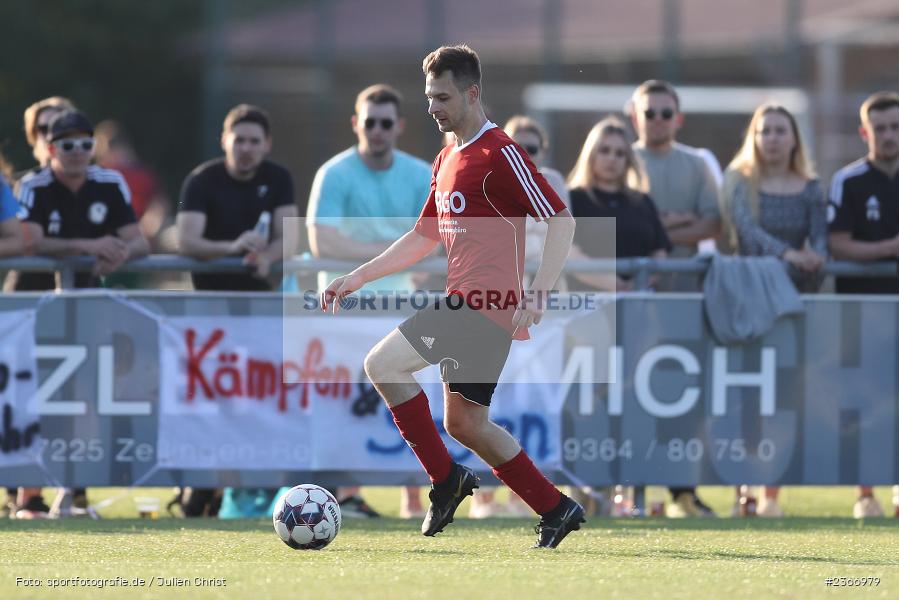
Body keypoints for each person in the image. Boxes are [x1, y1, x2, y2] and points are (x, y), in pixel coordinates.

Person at [321, 44, 584, 548]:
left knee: (382, 365)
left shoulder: (500, 151)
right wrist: (359, 276)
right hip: (473, 308)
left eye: (441, 97)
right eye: (427, 97)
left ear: (472, 92)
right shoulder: (445, 158)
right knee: (465, 423)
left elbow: (561, 220)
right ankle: (556, 507)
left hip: (481, 307)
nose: (432, 108)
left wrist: (540, 292)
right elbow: (423, 237)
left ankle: (445, 482)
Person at [306, 83, 432, 519]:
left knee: (411, 403)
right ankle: (345, 496)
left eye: (385, 123)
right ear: (356, 123)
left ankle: (418, 498)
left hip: (402, 311)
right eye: (369, 122)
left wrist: (368, 254)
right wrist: (391, 255)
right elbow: (322, 241)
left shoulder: (420, 174)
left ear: (399, 127)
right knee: (345, 407)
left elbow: (435, 243)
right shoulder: (334, 173)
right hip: (344, 312)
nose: (377, 131)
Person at [176, 104, 297, 516]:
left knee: (257, 407)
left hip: (262, 318)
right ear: (224, 141)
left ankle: (247, 492)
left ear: (267, 145)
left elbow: (289, 237)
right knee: (210, 406)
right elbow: (187, 240)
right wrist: (230, 249)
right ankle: (201, 488)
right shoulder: (202, 180)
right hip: (210, 321)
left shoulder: (278, 178)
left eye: (253, 141)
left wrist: (268, 257)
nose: (245, 148)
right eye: (239, 140)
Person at [721, 103, 827, 517]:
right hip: (747, 302)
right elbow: (746, 230)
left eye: (781, 131)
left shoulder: (811, 186)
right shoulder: (738, 180)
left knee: (782, 401)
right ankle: (739, 493)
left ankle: (770, 496)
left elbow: (820, 239)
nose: (773, 138)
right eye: (765, 131)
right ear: (755, 136)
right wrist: (790, 255)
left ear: (794, 137)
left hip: (791, 306)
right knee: (742, 401)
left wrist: (815, 257)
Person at [466, 115, 571, 519]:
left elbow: (557, 236)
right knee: (486, 404)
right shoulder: (491, 174)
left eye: (532, 148)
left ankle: (526, 495)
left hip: (537, 308)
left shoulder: (552, 182)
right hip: (494, 301)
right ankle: (486, 498)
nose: (524, 153)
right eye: (517, 145)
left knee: (534, 399)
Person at [629, 79, 720, 517]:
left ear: (678, 118)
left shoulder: (696, 164)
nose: (658, 120)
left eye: (666, 113)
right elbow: (607, 219)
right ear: (635, 116)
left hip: (683, 301)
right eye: (650, 113)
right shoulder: (618, 158)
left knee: (683, 398)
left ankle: (683, 491)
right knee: (628, 396)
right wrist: (673, 223)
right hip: (629, 302)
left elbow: (711, 225)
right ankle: (626, 490)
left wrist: (657, 230)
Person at [827, 90, 899, 518]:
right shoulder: (848, 181)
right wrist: (890, 248)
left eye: (895, 127)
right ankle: (865, 492)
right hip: (861, 308)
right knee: (863, 400)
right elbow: (837, 243)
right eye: (881, 128)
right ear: (864, 132)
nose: (889, 136)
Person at [567, 117, 670, 290]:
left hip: (638, 301)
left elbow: (659, 251)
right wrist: (615, 284)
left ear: (628, 160)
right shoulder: (572, 199)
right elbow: (568, 253)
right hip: (588, 304)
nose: (612, 158)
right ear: (591, 153)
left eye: (620, 153)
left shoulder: (642, 201)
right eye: (604, 150)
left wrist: (638, 284)